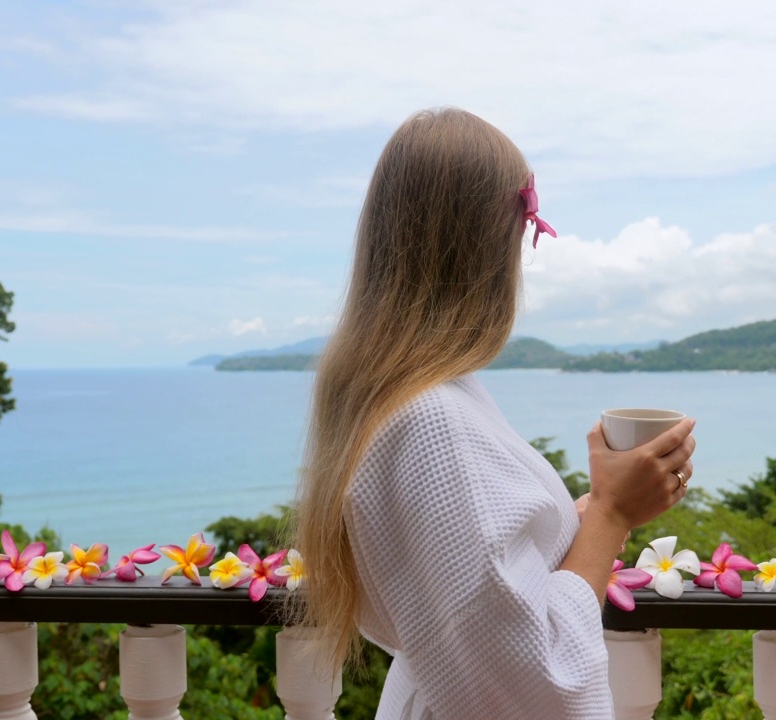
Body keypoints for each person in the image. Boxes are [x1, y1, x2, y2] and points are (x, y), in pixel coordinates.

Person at [293, 107, 695, 719]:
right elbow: (535, 685)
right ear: (492, 247)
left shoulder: (409, 399)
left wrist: (583, 515)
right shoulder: (434, 423)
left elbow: (476, 583)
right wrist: (613, 514)